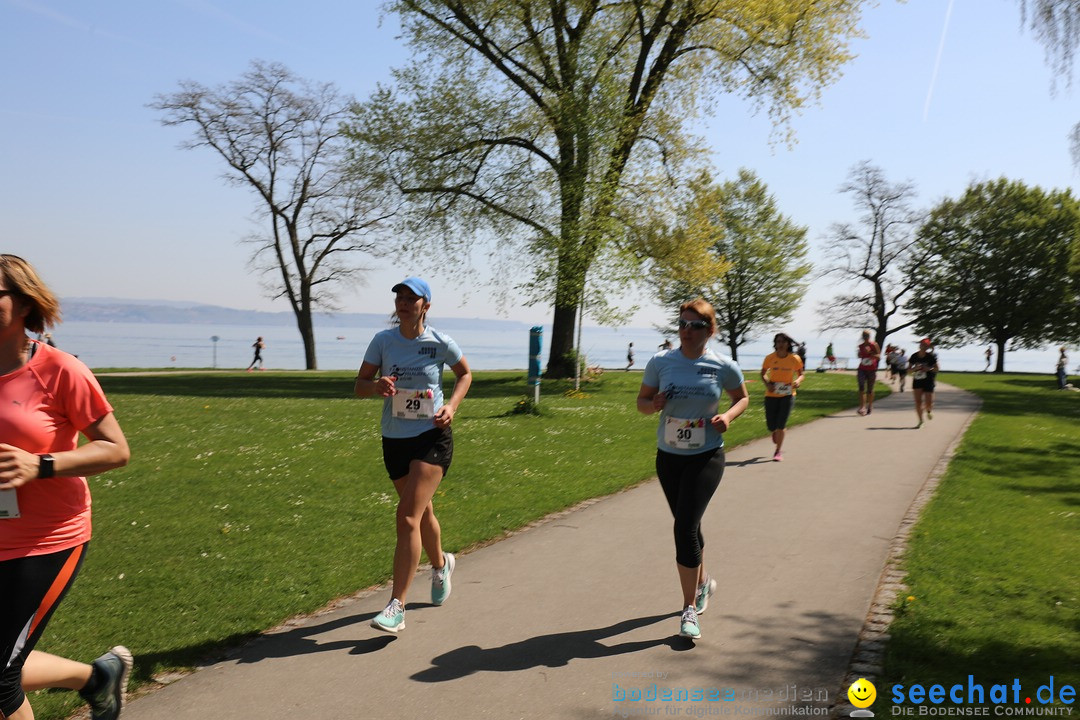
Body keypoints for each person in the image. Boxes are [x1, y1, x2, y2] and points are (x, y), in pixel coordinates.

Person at [0, 255, 133, 720]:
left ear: (20, 304)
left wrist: (40, 464)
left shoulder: (60, 370)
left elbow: (115, 449)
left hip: (45, 541)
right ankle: (97, 678)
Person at [354, 277, 472, 634]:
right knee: (422, 514)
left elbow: (465, 374)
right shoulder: (383, 341)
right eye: (399, 298)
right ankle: (441, 565)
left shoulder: (439, 342)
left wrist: (451, 406)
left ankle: (396, 607)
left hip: (432, 437)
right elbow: (359, 386)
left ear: (426, 306)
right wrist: (375, 386)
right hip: (395, 438)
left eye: (411, 298)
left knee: (406, 516)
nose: (403, 303)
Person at [636, 298, 749, 640]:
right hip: (669, 456)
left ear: (710, 330)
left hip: (706, 456)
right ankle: (702, 583)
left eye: (694, 325)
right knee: (688, 524)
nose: (686, 331)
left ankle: (688, 610)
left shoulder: (723, 365)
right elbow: (641, 403)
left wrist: (728, 416)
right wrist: (651, 404)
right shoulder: (661, 362)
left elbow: (742, 397)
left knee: (684, 526)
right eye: (682, 324)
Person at [760, 333, 804, 462]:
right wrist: (768, 384)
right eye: (778, 341)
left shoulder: (794, 359)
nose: (780, 344)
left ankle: (778, 451)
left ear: (788, 344)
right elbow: (762, 373)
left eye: (783, 342)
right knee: (771, 425)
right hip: (771, 395)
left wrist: (798, 381)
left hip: (788, 395)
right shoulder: (770, 358)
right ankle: (775, 432)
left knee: (781, 424)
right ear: (775, 344)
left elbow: (801, 374)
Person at [908, 338, 940, 428]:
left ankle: (928, 411)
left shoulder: (931, 357)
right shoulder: (914, 356)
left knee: (929, 403)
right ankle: (920, 421)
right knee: (918, 402)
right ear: (920, 345)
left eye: (925, 345)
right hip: (917, 380)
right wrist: (915, 368)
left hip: (928, 380)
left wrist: (928, 368)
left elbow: (937, 368)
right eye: (922, 344)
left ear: (927, 347)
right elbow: (908, 371)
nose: (923, 346)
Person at [855, 330, 880, 415]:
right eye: (864, 336)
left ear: (869, 336)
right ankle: (862, 407)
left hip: (871, 369)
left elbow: (878, 357)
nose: (865, 337)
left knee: (870, 390)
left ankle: (870, 405)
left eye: (867, 336)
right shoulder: (860, 346)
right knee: (861, 387)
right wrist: (859, 354)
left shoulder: (874, 345)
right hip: (862, 368)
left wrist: (870, 353)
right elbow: (859, 355)